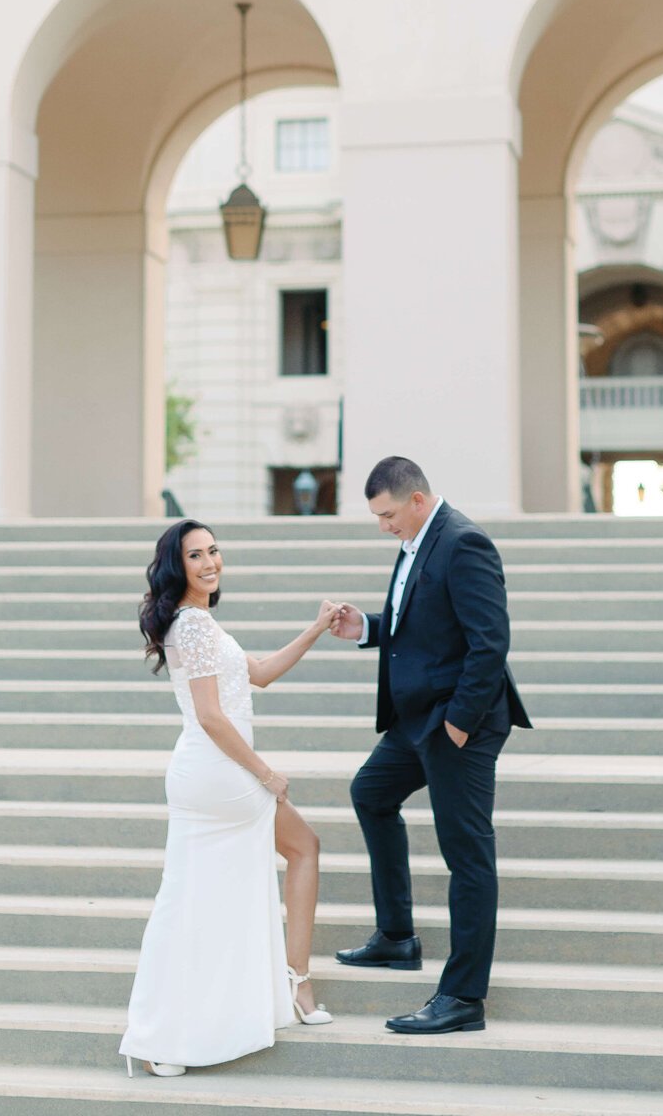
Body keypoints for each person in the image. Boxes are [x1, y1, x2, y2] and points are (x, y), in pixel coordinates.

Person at [120, 519, 339, 1077]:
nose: (210, 562)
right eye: (196, 555)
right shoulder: (192, 627)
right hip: (221, 774)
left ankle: (178, 1031)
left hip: (210, 775)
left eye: (214, 551)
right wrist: (266, 774)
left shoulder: (199, 624)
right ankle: (294, 985)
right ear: (178, 567)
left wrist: (315, 629)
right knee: (302, 851)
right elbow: (213, 717)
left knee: (192, 903)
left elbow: (260, 673)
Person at [330, 456, 531, 1036]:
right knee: (370, 794)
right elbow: (419, 626)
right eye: (377, 517)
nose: (383, 526)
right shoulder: (418, 537)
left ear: (416, 499)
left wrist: (459, 726)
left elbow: (489, 643)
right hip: (414, 721)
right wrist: (366, 628)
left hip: (456, 724)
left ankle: (463, 996)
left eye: (388, 514)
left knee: (466, 854)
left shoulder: (464, 543)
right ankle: (397, 937)